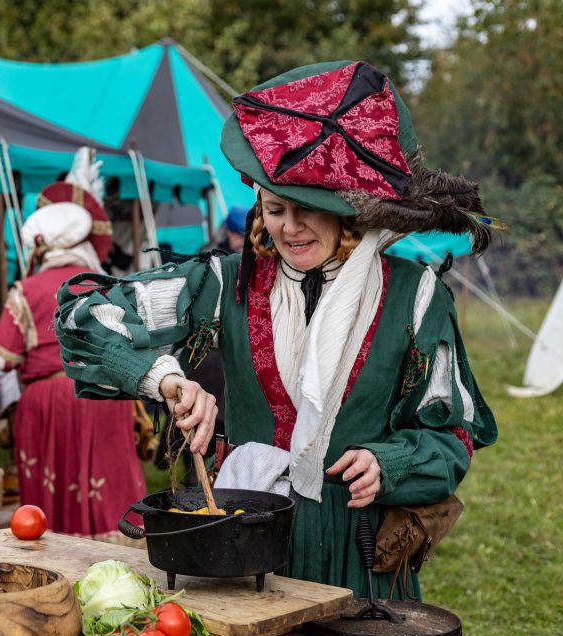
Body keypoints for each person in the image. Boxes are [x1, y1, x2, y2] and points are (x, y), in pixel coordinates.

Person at [55, 61, 498, 598]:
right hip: (246, 540)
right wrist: (168, 382)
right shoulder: (225, 283)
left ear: (349, 214)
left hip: (356, 551)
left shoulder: (415, 295)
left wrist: (391, 461)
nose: (289, 228)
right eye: (275, 209)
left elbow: (452, 436)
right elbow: (84, 314)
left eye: (307, 210)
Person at [0, 158, 146, 540]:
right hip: (103, 394)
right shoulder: (109, 286)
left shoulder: (26, 290)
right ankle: (120, 556)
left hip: (45, 401)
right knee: (108, 486)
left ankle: (52, 558)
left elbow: (2, 357)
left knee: (49, 497)